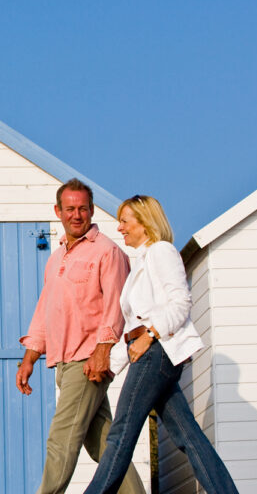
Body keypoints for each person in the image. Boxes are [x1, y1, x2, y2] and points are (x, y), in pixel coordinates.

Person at [83, 195, 239, 494]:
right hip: (150, 352)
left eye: (125, 221)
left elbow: (181, 303)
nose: (120, 227)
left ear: (145, 222)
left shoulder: (161, 252)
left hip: (158, 352)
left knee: (121, 433)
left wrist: (150, 335)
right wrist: (109, 365)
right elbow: (131, 330)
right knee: (188, 437)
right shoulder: (140, 262)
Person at [16, 179, 145, 494]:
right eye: (70, 209)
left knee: (61, 438)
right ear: (58, 211)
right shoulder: (57, 258)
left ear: (91, 210)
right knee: (104, 444)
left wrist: (103, 351)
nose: (77, 215)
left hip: (89, 361)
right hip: (64, 361)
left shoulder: (107, 252)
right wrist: (30, 357)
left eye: (83, 209)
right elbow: (46, 310)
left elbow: (117, 305)